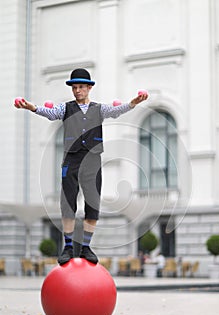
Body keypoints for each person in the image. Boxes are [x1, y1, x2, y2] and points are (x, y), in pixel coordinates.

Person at [15, 68, 148, 265]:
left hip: (93, 159)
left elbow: (116, 111)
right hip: (71, 159)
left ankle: (86, 247)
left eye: (81, 87)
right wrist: (31, 107)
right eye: (74, 87)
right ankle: (68, 247)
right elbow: (50, 113)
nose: (77, 91)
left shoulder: (99, 109)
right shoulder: (65, 108)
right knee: (68, 204)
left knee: (93, 204)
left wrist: (133, 103)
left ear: (89, 88)